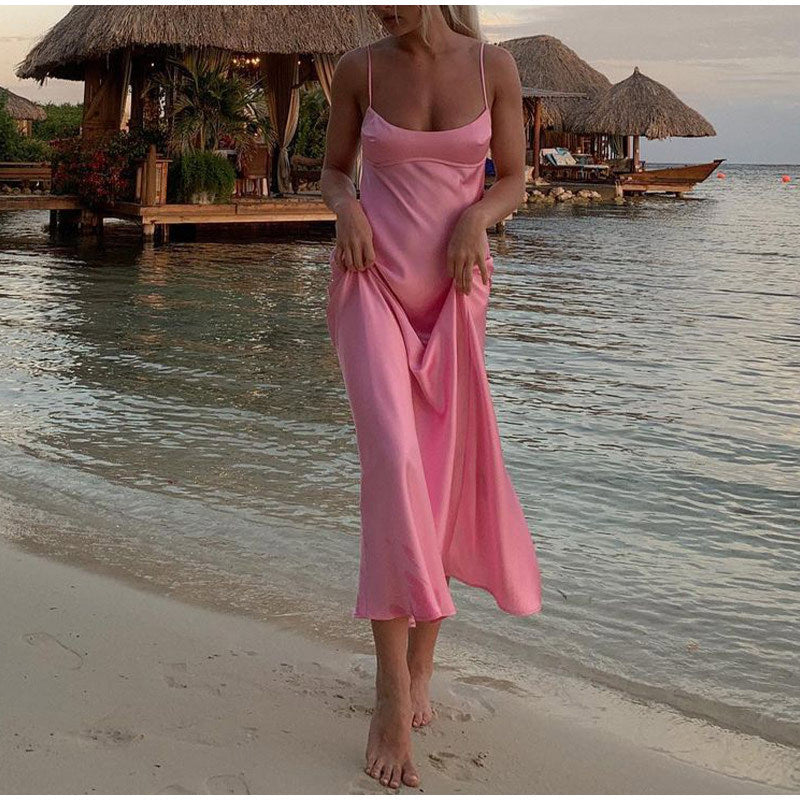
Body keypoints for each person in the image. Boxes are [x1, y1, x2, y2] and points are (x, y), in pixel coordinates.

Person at [321, 5, 542, 790]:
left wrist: (478, 217)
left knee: (440, 470)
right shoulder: (360, 68)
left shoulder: (496, 69)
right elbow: (333, 170)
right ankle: (388, 692)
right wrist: (346, 208)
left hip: (456, 288)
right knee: (393, 463)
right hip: (371, 283)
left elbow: (515, 177)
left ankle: (423, 659)